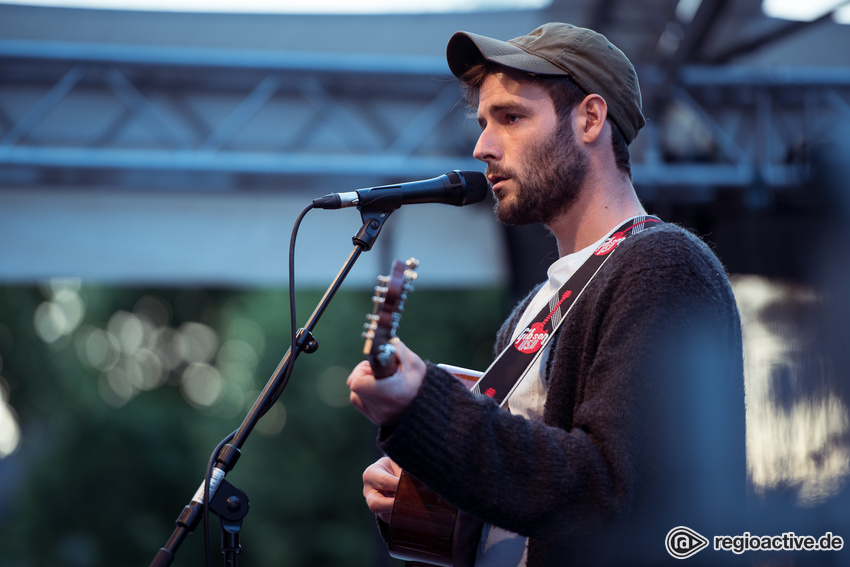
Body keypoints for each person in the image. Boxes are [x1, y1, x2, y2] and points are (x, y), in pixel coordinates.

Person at [347, 22, 746, 567]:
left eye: (511, 117)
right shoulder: (529, 315)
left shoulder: (663, 265)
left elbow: (609, 493)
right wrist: (429, 501)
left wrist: (428, 411)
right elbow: (528, 513)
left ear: (589, 119)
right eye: (484, 122)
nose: (482, 146)